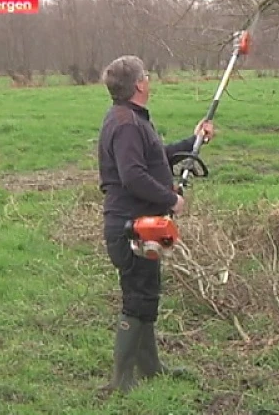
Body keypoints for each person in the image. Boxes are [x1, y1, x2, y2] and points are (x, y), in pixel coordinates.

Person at [96, 55, 215, 395]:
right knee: (136, 296)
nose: (149, 79)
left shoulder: (129, 119)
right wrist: (170, 198)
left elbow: (156, 155)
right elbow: (133, 175)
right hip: (130, 226)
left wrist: (195, 143)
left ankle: (150, 368)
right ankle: (121, 381)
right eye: (146, 75)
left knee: (147, 293)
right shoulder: (126, 124)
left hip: (143, 224)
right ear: (139, 85)